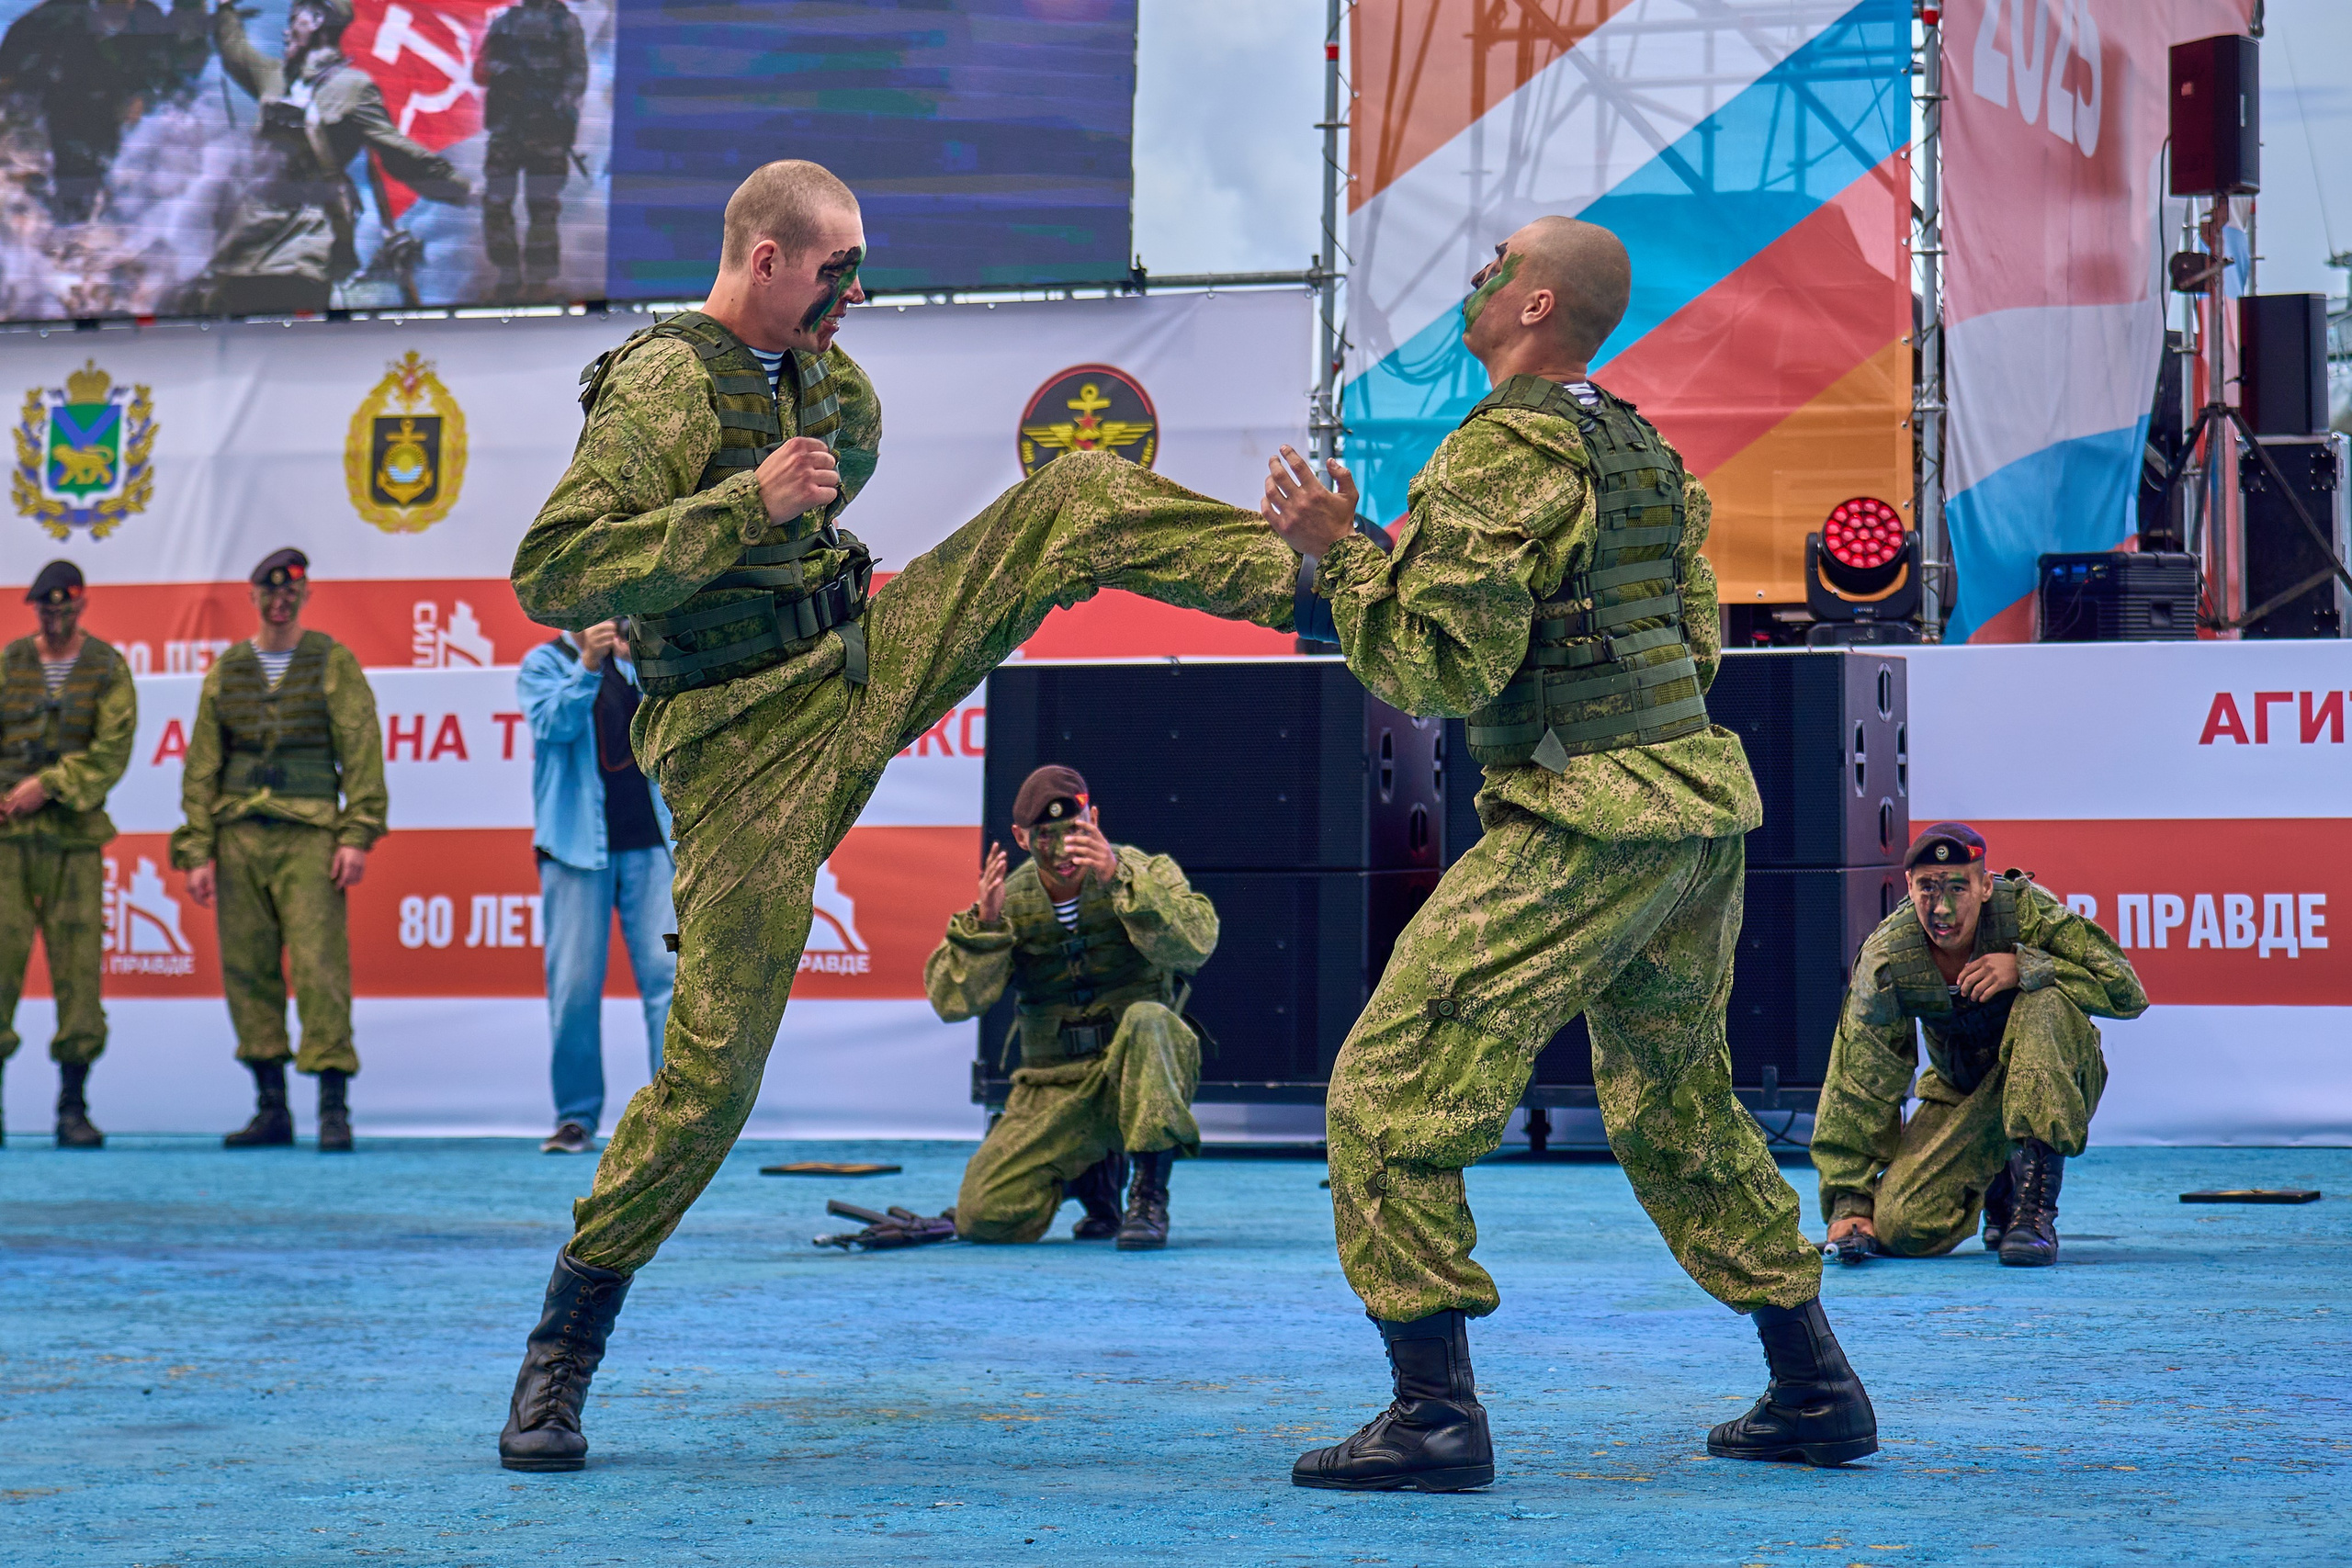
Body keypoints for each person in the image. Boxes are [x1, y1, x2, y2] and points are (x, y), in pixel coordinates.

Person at [494, 158, 1301, 1472]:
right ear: (764, 259)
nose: (855, 295)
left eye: (860, 271)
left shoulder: (830, 383)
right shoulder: (666, 381)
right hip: (738, 749)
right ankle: (563, 1348)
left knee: (1069, 501)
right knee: (711, 1082)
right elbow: (556, 569)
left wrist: (801, 535)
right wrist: (743, 504)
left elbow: (841, 467)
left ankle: (1323, 591)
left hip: (858, 664)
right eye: (836, 271)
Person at [1261, 217, 1875, 1492]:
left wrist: (1341, 555)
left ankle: (1433, 1415)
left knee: (1385, 1090)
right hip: (1695, 804)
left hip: (1589, 815)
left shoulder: (1499, 449)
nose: (1474, 275)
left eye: (1496, 262)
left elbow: (1443, 666)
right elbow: (1693, 641)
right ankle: (1816, 1385)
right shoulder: (1639, 447)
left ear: (1536, 303)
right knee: (1676, 1102)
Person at [1812, 824, 2145, 1269]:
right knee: (1902, 1228)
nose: (1942, 908)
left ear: (1986, 886)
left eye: (1958, 888)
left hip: (2058, 1072)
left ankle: (2033, 1214)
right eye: (1928, 888)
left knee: (2043, 1001)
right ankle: (1999, 1185)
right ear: (1908, 886)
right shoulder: (1890, 958)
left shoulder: (2025, 912)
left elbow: (2125, 989)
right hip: (1965, 1091)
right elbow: (1859, 1081)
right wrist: (1849, 1205)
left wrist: (2025, 967)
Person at [927, 765, 1214, 1250]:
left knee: (1149, 1020)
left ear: (1094, 819)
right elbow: (953, 1002)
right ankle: (1089, 1174)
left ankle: (1147, 1195)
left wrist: (1121, 883)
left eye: (1074, 831)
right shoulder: (1008, 901)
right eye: (1045, 836)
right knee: (985, 1218)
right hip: (1053, 1088)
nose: (1062, 851)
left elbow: (1195, 945)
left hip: (1136, 1072)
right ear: (1020, 837)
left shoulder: (1145, 874)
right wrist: (987, 926)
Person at [172, 548, 386, 1153]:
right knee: (248, 969)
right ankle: (271, 1107)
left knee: (321, 969)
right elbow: (202, 765)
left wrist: (356, 833)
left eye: (290, 590)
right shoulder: (228, 670)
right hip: (238, 836)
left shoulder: (332, 661)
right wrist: (196, 848)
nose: (280, 601)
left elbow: (362, 748)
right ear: (253, 597)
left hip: (310, 836)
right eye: (269, 591)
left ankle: (333, 1108)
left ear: (305, 595)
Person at [189, 0, 471, 316]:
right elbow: (234, 50)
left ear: (317, 20)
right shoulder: (274, 76)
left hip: (303, 241)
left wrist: (469, 191)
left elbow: (402, 155)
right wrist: (225, 7)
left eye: (294, 20)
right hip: (247, 236)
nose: (285, 32)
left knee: (292, 326)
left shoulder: (353, 88)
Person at [516, 617, 676, 1156]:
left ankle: (672, 1120)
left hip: (653, 847)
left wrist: (637, 664)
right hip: (575, 851)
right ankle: (575, 1116)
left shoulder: (642, 658)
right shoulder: (545, 663)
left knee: (668, 979)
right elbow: (553, 725)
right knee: (574, 988)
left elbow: (673, 728)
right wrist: (588, 665)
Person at [0, 560, 135, 1147]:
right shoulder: (10, 663)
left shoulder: (107, 667)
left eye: (64, 606)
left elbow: (112, 751)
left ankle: (72, 1107)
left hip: (74, 842)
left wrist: (50, 785)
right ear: (35, 609)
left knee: (79, 975)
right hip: (7, 843)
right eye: (45, 607)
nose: (54, 616)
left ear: (81, 605)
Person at [0, 0, 209, 223]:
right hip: (58, 114)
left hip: (111, 121)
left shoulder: (147, 20)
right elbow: (11, 69)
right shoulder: (55, 19)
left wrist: (143, 97)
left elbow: (166, 73)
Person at [473, 0, 587, 299]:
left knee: (543, 206)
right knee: (497, 204)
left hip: (546, 132)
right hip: (507, 129)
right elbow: (481, 68)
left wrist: (556, 108)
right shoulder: (505, 21)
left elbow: (577, 74)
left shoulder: (565, 23)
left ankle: (538, 281)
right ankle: (508, 274)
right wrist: (507, 74)